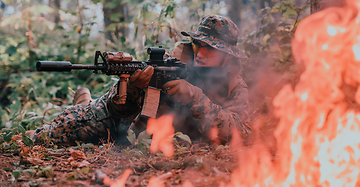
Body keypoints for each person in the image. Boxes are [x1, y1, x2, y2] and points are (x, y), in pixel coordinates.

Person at [29, 15, 251, 145]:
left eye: (210, 48)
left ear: (227, 54)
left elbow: (239, 134)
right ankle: (82, 103)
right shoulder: (170, 64)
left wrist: (197, 98)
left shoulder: (234, 85)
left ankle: (83, 98)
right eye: (197, 45)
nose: (200, 53)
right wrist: (135, 86)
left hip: (169, 142)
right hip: (129, 129)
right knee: (61, 133)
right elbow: (118, 111)